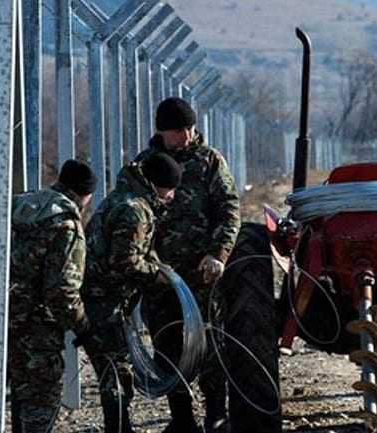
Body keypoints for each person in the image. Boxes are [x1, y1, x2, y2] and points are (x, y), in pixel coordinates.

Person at [0, 159, 95, 433]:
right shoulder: (66, 225)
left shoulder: (21, 204)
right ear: (85, 195)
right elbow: (61, 291)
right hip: (34, 333)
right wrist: (82, 325)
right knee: (39, 407)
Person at [134, 97, 241, 433]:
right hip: (160, 274)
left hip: (202, 272)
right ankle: (181, 418)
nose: (185, 135)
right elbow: (132, 212)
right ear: (162, 132)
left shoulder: (208, 161)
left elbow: (229, 209)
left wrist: (218, 254)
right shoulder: (145, 166)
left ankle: (215, 414)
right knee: (166, 344)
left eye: (188, 128)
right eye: (177, 130)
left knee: (209, 340)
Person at [80, 152, 184, 433]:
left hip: (105, 298)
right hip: (104, 300)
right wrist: (159, 276)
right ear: (155, 184)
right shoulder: (135, 210)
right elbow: (124, 261)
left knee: (115, 368)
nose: (172, 196)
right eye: (169, 189)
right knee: (116, 371)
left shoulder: (123, 198)